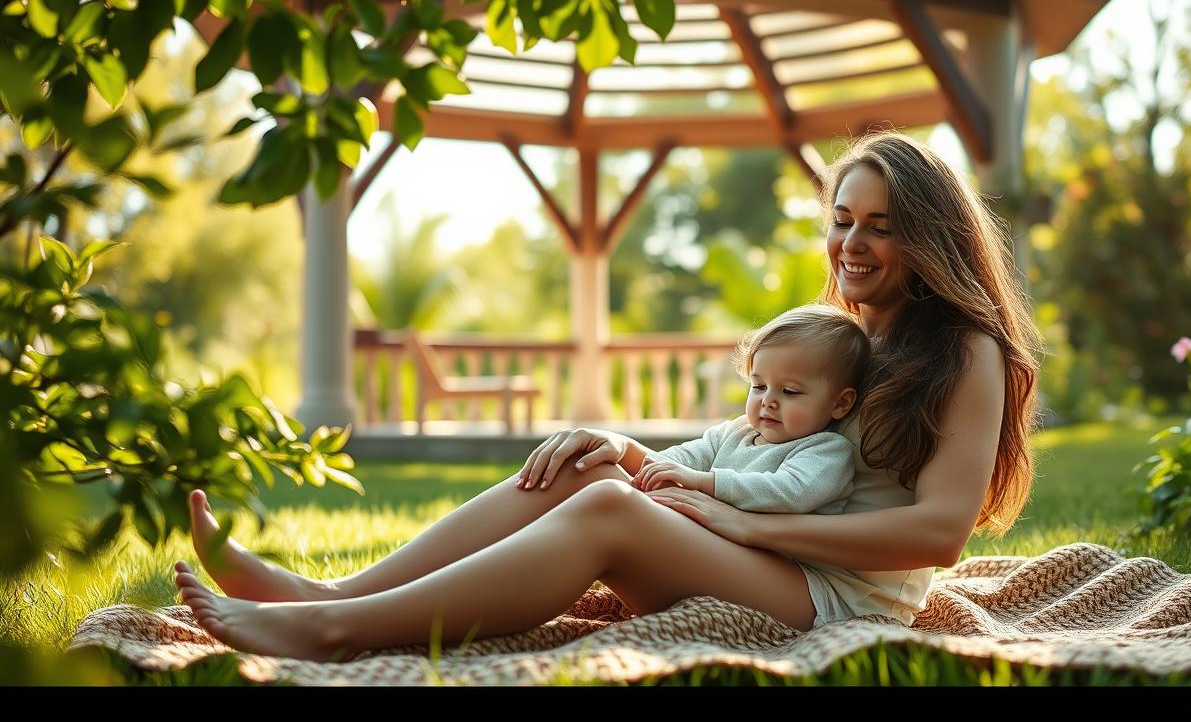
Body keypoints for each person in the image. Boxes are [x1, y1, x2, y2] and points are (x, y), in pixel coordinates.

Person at [173, 129, 1043, 662]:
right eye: (844, 219)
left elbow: (940, 533)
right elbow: (745, 447)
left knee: (610, 515)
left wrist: (746, 524)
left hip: (838, 596)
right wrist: (627, 451)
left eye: (880, 226)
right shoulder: (845, 334)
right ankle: (334, 596)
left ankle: (336, 634)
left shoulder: (965, 351)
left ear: (928, 235)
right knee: (590, 475)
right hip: (779, 560)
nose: (852, 241)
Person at [631, 303, 869, 516]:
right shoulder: (737, 431)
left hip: (773, 561)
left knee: (613, 500)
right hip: (718, 544)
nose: (768, 401)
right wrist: (655, 468)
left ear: (840, 403)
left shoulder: (827, 450)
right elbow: (690, 455)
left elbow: (788, 492)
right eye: (759, 386)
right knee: (607, 482)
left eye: (789, 391)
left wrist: (703, 482)